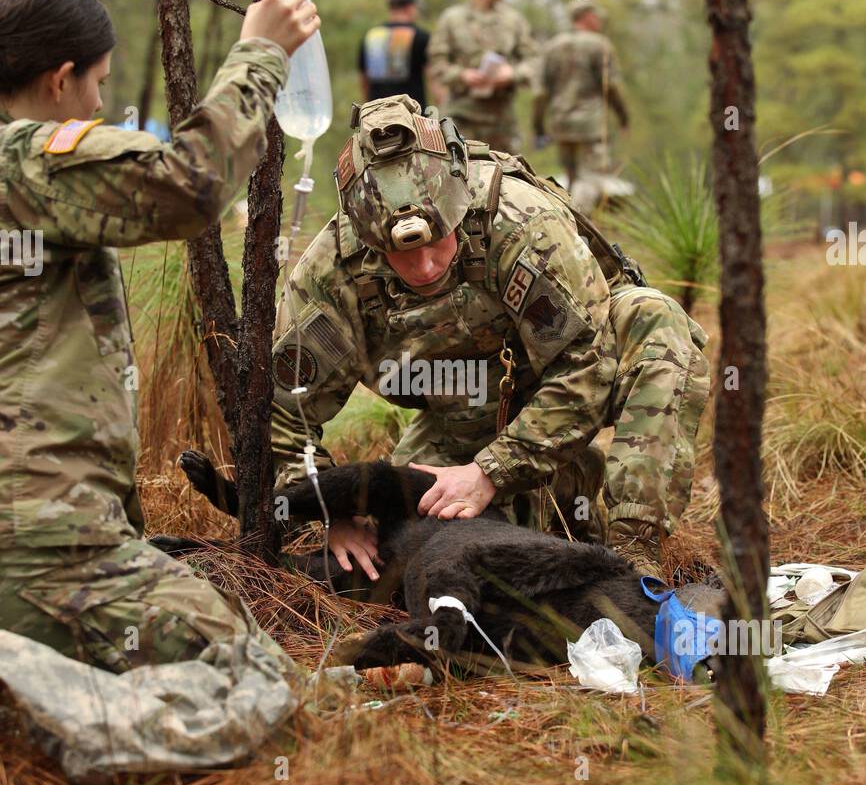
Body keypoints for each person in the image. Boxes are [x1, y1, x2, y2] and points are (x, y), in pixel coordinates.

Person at [0, 0, 319, 678]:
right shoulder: (24, 161)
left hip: (46, 536)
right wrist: (261, 53)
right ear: (59, 81)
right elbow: (189, 185)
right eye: (100, 83)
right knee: (258, 683)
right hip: (44, 551)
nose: (102, 102)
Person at [268, 95, 710, 583]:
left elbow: (587, 364)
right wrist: (333, 514)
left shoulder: (520, 221)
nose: (425, 267)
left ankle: (635, 555)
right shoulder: (334, 270)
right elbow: (286, 409)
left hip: (566, 377)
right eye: (401, 255)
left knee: (656, 320)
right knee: (421, 546)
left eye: (437, 242)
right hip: (463, 407)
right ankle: (569, 484)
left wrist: (490, 472)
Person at [427, 0, 538, 152]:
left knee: (506, 176)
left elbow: (534, 61)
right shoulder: (452, 19)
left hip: (502, 120)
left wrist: (513, 73)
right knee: (461, 175)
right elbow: (436, 63)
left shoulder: (513, 20)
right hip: (462, 115)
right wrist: (462, 75)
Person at [533, 0, 630, 212]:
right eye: (597, 17)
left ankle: (563, 220)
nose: (599, 21)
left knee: (571, 178)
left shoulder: (552, 47)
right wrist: (623, 117)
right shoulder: (600, 45)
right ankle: (578, 225)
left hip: (560, 123)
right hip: (590, 124)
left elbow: (540, 92)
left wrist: (539, 128)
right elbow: (611, 86)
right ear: (587, 17)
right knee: (591, 177)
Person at [358, 0, 430, 108]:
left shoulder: (371, 36)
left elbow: (364, 79)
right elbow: (432, 76)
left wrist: (367, 105)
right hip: (412, 114)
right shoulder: (421, 36)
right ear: (410, 8)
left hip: (377, 113)